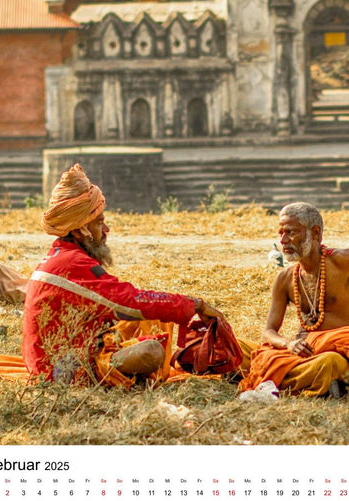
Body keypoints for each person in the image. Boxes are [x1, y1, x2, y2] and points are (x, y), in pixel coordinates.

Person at [22, 163, 222, 384]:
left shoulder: (63, 255)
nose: (106, 230)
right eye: (100, 223)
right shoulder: (70, 263)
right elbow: (129, 301)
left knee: (149, 318)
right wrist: (194, 305)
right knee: (152, 350)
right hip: (61, 373)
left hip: (75, 353)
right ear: (81, 229)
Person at [239, 201, 349, 398]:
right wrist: (287, 344)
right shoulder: (285, 278)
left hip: (338, 354)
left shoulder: (342, 260)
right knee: (237, 346)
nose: (283, 240)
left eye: (290, 232)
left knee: (331, 363)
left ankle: (276, 379)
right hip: (300, 354)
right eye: (280, 233)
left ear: (315, 233)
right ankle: (298, 380)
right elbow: (269, 331)